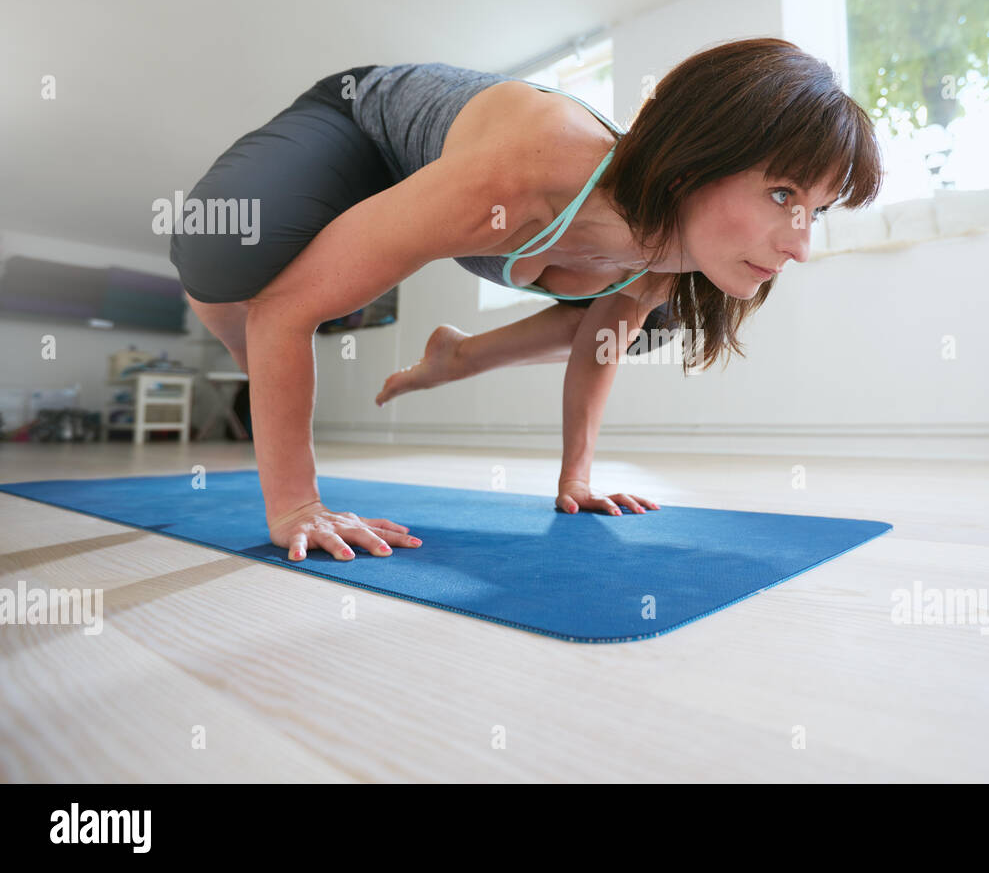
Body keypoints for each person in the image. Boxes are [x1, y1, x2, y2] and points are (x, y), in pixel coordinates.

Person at [169, 37, 883, 562]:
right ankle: (255, 351)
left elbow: (603, 345)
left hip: (465, 209)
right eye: (782, 194)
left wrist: (576, 479)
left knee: (658, 324)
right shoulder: (527, 174)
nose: (798, 245)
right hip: (364, 127)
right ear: (692, 160)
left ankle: (458, 355)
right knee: (225, 249)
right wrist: (297, 505)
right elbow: (285, 310)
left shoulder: (667, 258)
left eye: (815, 211)